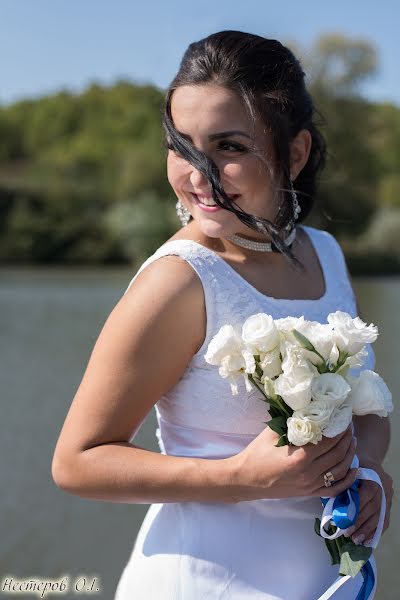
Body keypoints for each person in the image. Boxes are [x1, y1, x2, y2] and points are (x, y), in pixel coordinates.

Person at [51, 31, 393, 600]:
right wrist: (239, 478)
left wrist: (374, 469)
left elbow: (363, 399)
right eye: (181, 145)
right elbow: (76, 463)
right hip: (202, 580)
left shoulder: (325, 255)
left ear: (297, 152)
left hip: (321, 581)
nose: (197, 174)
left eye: (229, 147)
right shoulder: (179, 281)